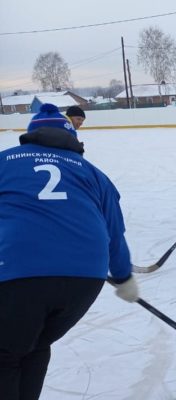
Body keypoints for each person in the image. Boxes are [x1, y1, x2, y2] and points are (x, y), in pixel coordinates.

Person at [0, 103, 139, 400]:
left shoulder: (5, 161)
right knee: (34, 344)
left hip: (20, 272)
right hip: (85, 278)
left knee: (6, 353)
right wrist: (124, 276)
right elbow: (114, 230)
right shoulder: (93, 173)